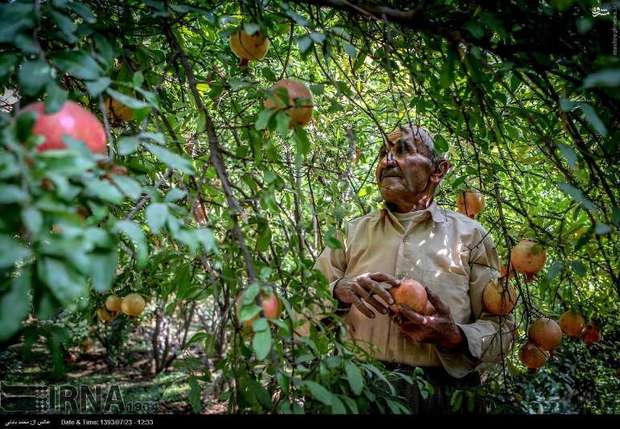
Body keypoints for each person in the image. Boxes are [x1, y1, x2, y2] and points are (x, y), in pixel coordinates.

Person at [313, 125, 515, 414]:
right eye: (384, 152)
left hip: (445, 398)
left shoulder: (471, 236)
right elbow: (301, 311)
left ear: (438, 171)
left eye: (403, 150)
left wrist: (455, 336)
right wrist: (338, 291)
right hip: (358, 389)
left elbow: (503, 331)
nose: (387, 161)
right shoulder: (351, 234)